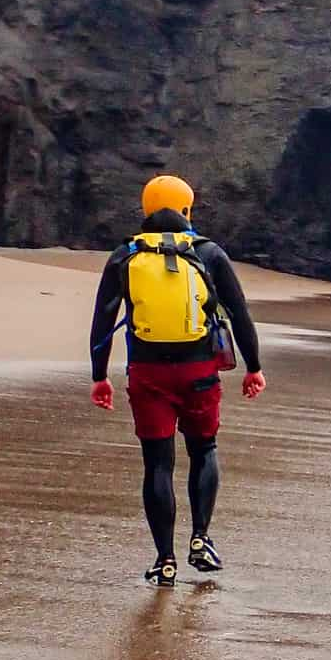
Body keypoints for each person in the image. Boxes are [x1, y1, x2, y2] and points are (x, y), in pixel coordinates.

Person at [89, 174, 266, 586]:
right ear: (188, 209)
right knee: (204, 449)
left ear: (146, 209)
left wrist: (99, 376)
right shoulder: (209, 253)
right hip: (199, 373)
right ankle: (201, 539)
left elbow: (103, 322)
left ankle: (165, 560)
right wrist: (254, 367)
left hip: (149, 374)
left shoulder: (125, 256)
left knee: (158, 464)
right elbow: (239, 315)